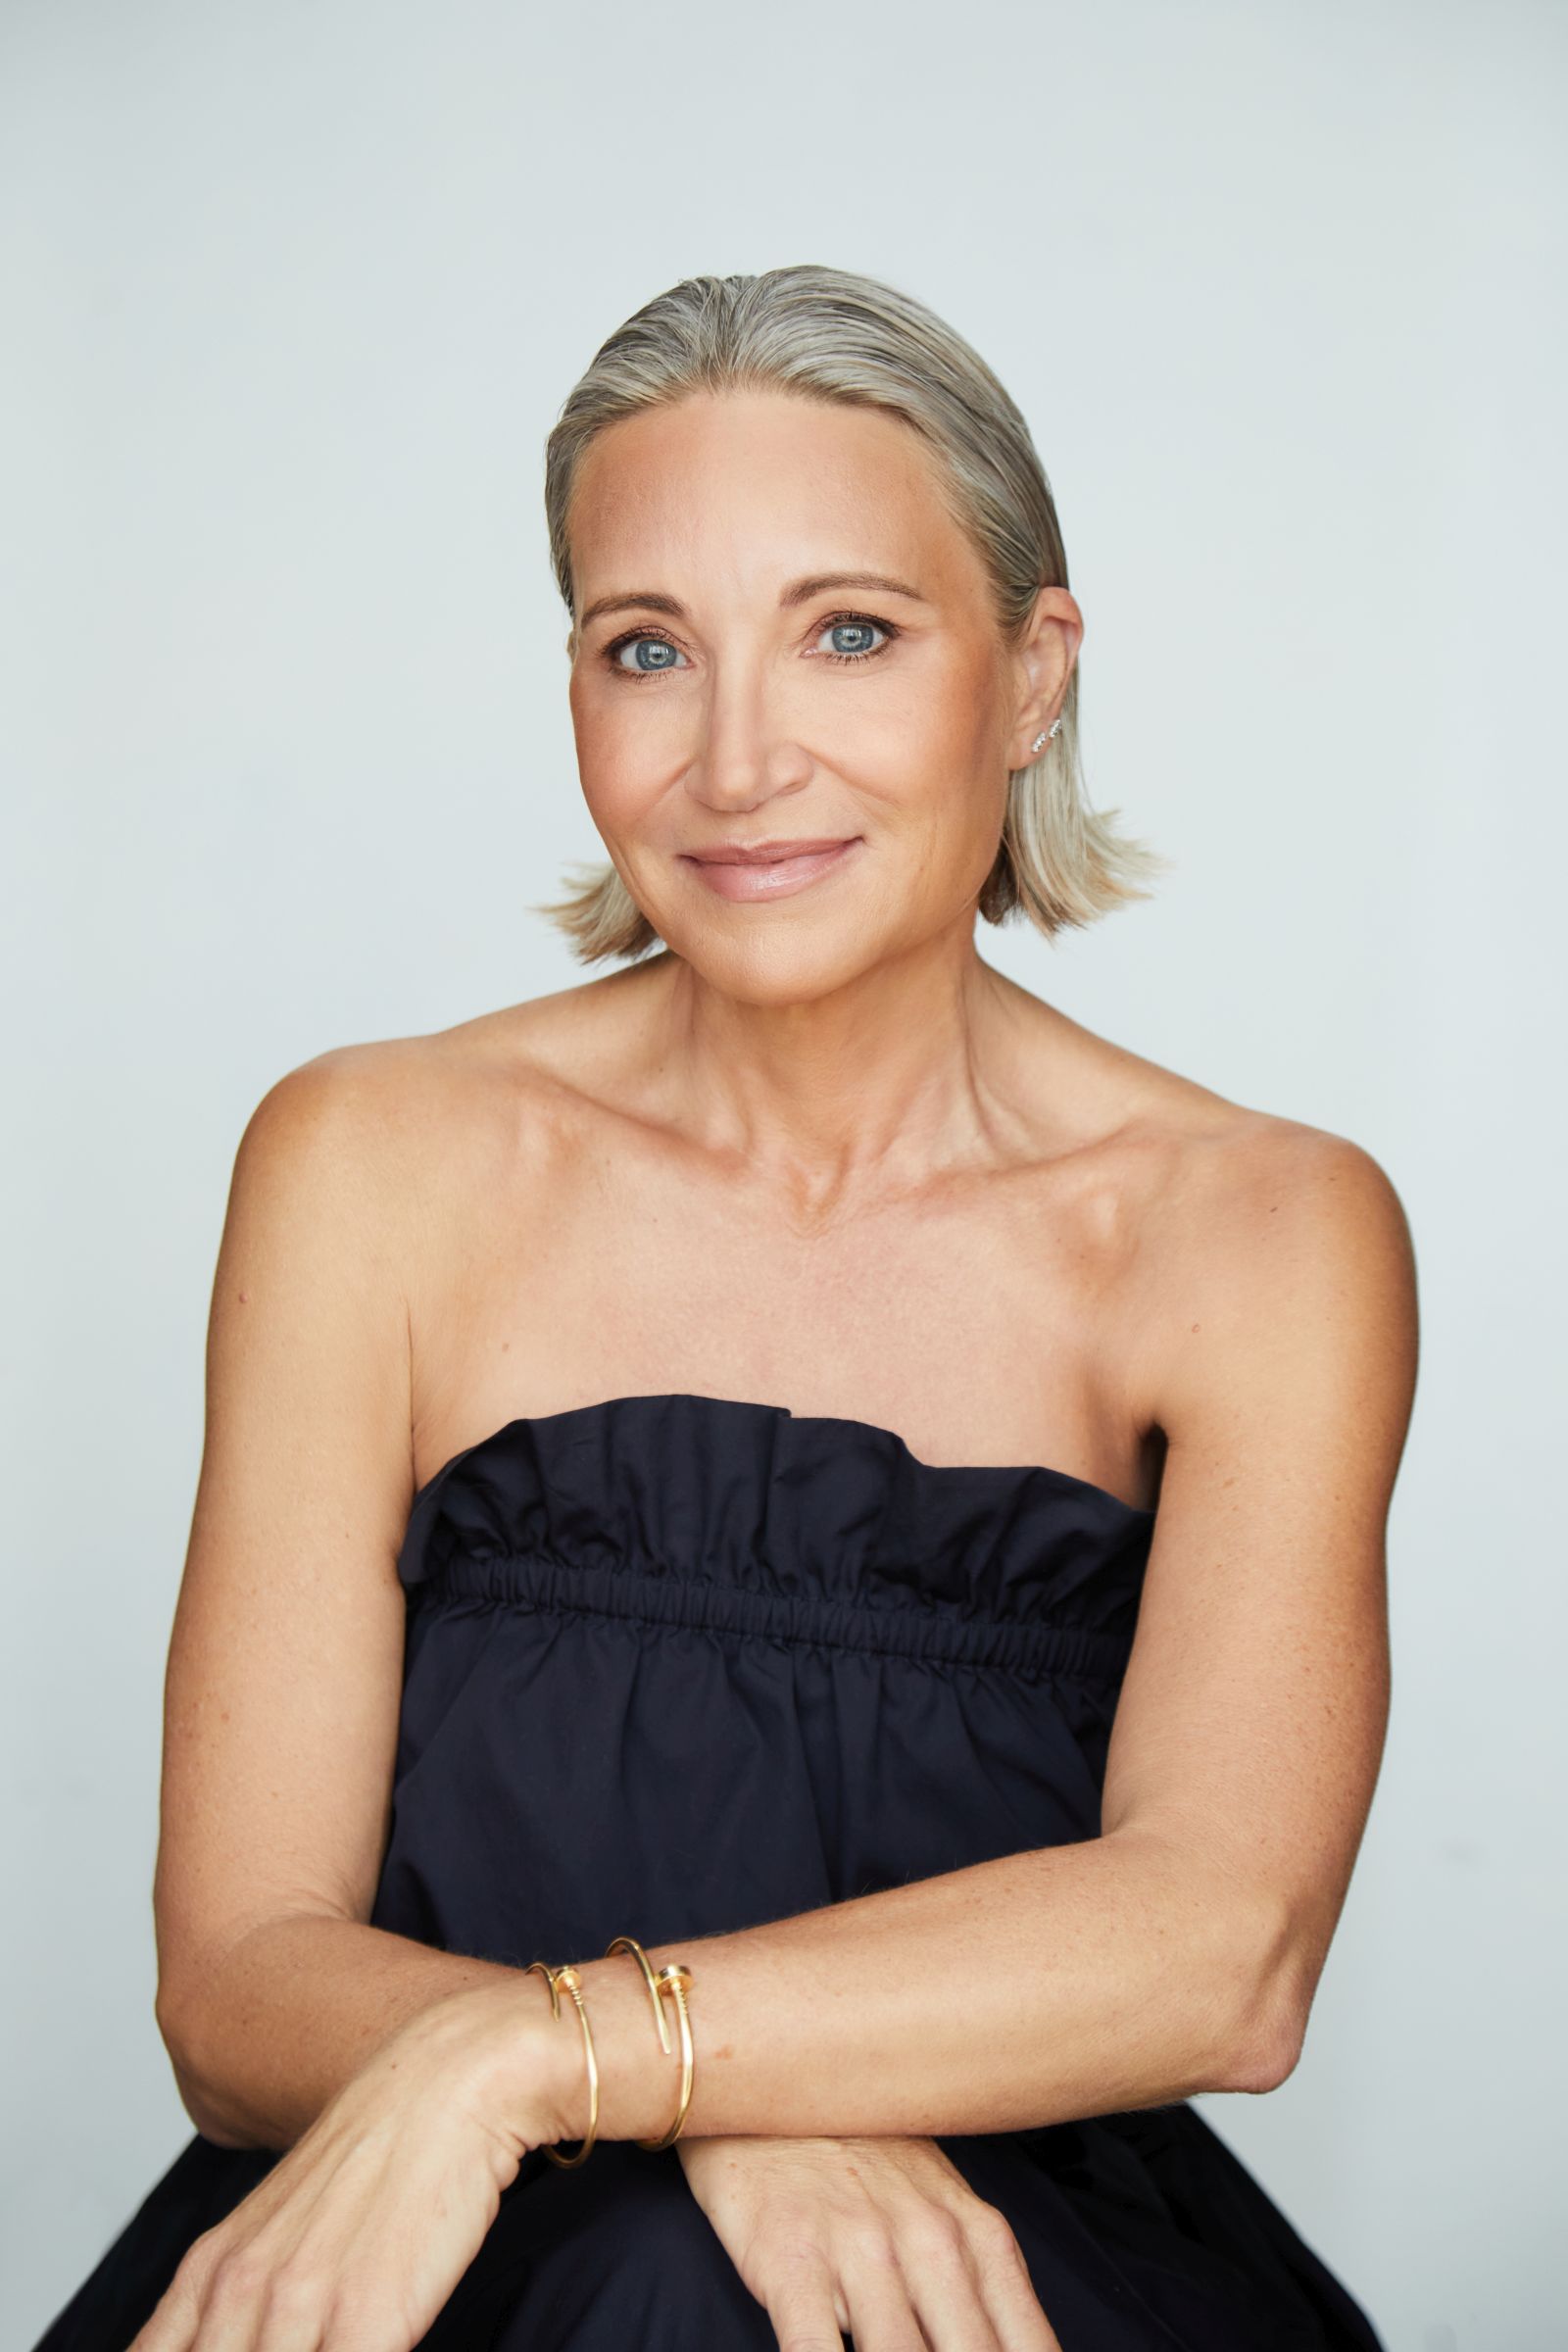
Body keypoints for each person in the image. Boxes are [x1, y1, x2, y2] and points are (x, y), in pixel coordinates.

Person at [33, 264, 1415, 2352]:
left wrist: (555, 2062)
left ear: (1030, 676)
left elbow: (1219, 1953)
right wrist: (701, 2111)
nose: (738, 759)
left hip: (980, 2264)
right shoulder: (365, 1162)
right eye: (645, 650)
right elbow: (235, 1985)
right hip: (416, 2244)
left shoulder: (1255, 1230)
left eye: (847, 633)